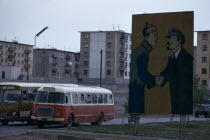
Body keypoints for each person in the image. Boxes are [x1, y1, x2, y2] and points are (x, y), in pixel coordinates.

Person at [157, 28, 193, 115]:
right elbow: (167, 71)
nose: (168, 41)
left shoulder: (187, 57)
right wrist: (160, 79)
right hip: (175, 98)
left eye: (171, 38)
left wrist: (163, 78)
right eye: (168, 38)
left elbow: (180, 75)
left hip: (184, 100)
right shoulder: (172, 57)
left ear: (179, 41)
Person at [129, 23, 158, 114]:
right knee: (137, 109)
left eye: (156, 36)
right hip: (137, 87)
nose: (156, 38)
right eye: (154, 36)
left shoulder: (142, 49)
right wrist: (154, 80)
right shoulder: (143, 53)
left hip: (135, 85)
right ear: (146, 37)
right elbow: (142, 73)